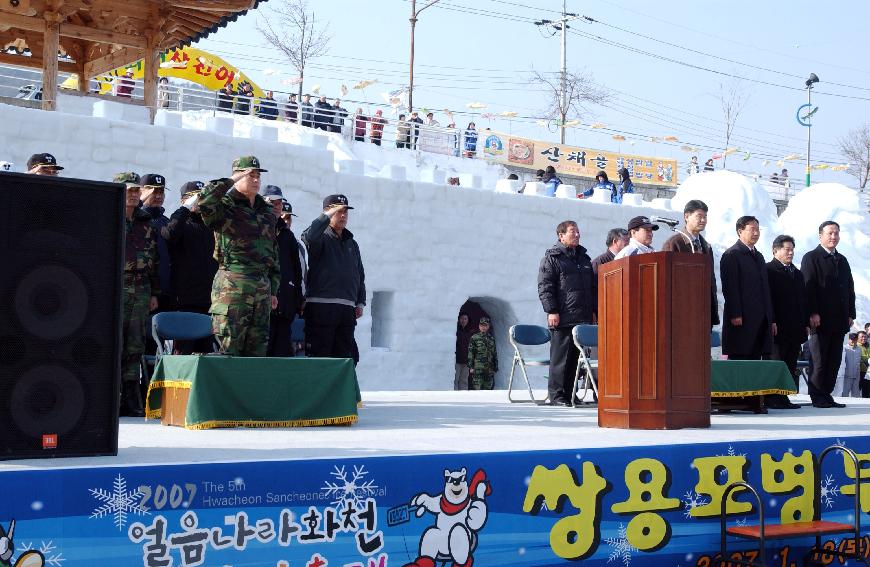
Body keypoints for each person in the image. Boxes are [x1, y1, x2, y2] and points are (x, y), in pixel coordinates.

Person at [198, 156, 278, 357]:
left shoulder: (266, 210)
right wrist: (230, 181)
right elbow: (204, 202)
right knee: (229, 350)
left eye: (258, 175)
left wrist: (274, 288)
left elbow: (272, 251)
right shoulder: (224, 205)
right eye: (250, 175)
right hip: (233, 285)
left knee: (257, 352)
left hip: (261, 287)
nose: (256, 180)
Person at [538, 220, 596, 406]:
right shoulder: (552, 258)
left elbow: (592, 288)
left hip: (582, 317)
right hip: (562, 316)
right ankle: (557, 395)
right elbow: (545, 287)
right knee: (560, 359)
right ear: (561, 235)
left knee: (574, 359)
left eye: (578, 231)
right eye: (572, 231)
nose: (577, 234)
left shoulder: (584, 258)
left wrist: (593, 311)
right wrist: (552, 310)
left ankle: (571, 394)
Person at [302, 194, 366, 363]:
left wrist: (360, 301)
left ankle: (339, 390)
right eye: (338, 211)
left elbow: (359, 273)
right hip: (322, 307)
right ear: (327, 212)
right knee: (320, 357)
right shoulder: (320, 237)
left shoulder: (352, 243)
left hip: (346, 309)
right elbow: (309, 236)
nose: (343, 215)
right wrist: (326, 216)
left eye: (345, 211)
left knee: (346, 357)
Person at [116, 172, 160, 417]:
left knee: (135, 343)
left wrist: (155, 291)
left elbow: (154, 259)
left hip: (141, 287)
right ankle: (112, 395)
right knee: (115, 343)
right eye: (129, 191)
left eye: (136, 191)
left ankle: (131, 397)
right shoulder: (107, 216)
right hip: (117, 286)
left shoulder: (146, 221)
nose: (133, 195)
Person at [801, 220, 856, 408]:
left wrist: (851, 313)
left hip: (839, 319)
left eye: (836, 233)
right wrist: (813, 312)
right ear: (820, 236)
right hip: (820, 320)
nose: (833, 237)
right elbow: (808, 287)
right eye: (830, 233)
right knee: (819, 360)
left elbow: (850, 288)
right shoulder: (811, 257)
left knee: (834, 360)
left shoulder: (842, 260)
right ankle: (817, 395)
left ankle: (827, 394)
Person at [161, 181, 218, 354]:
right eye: (194, 197)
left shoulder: (210, 226)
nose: (198, 202)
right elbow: (169, 234)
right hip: (185, 302)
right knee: (183, 353)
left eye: (201, 198)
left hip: (208, 302)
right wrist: (186, 208)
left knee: (205, 353)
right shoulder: (180, 223)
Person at [720, 216, 774, 363]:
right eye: (752, 229)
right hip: (742, 320)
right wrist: (736, 313)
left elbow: (765, 289)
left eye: (758, 229)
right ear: (740, 231)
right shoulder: (732, 255)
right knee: (740, 362)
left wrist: (770, 318)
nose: (756, 233)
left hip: (760, 320)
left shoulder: (759, 256)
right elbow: (730, 288)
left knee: (755, 362)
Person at [661, 200, 720, 327]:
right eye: (699, 216)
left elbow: (711, 280)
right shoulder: (674, 244)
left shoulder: (706, 246)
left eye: (705, 217)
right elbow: (666, 281)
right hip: (683, 313)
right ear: (686, 217)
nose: (703, 220)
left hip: (704, 311)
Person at [764, 235, 807, 409]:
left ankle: (783, 397)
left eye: (792, 250)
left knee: (790, 363)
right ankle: (771, 397)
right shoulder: (769, 270)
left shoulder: (797, 273)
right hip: (777, 327)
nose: (790, 253)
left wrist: (804, 323)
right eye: (787, 249)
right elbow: (768, 299)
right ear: (775, 250)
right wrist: (772, 319)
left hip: (795, 328)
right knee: (777, 362)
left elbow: (803, 300)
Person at [261, 186, 304, 357]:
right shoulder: (255, 229)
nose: (277, 206)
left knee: (282, 355)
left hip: (285, 307)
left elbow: (297, 271)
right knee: (262, 355)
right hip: (261, 307)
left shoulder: (287, 234)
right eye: (272, 202)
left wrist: (297, 298)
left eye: (279, 202)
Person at [140, 173, 172, 312]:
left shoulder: (166, 221)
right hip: (142, 291)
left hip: (165, 290)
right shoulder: (135, 220)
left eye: (161, 192)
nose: (158, 196)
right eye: (154, 191)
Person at [467, 317, 497, 390]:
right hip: (478, 369)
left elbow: (494, 353)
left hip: (489, 369)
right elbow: (471, 352)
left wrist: (495, 366)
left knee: (488, 390)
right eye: (481, 325)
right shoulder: (474, 338)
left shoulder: (491, 338)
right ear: (479, 326)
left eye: (485, 325)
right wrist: (471, 366)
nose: (483, 327)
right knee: (477, 390)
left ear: (488, 326)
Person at [454, 313, 475, 390]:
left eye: (465, 319)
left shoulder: (471, 332)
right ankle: (454, 395)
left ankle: (463, 396)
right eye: (462, 318)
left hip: (466, 360)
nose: (463, 320)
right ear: (459, 319)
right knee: (455, 379)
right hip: (457, 360)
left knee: (464, 380)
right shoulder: (455, 330)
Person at [840, 333, 861, 397]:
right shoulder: (844, 348)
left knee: (856, 395)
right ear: (849, 339)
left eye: (855, 339)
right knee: (844, 395)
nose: (853, 341)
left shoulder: (859, 349)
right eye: (852, 339)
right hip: (846, 376)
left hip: (856, 376)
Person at [857, 330, 870, 398]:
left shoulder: (868, 346)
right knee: (856, 391)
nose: (864, 338)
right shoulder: (856, 346)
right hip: (859, 372)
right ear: (858, 338)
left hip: (867, 373)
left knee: (867, 391)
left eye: (865, 337)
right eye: (862, 337)